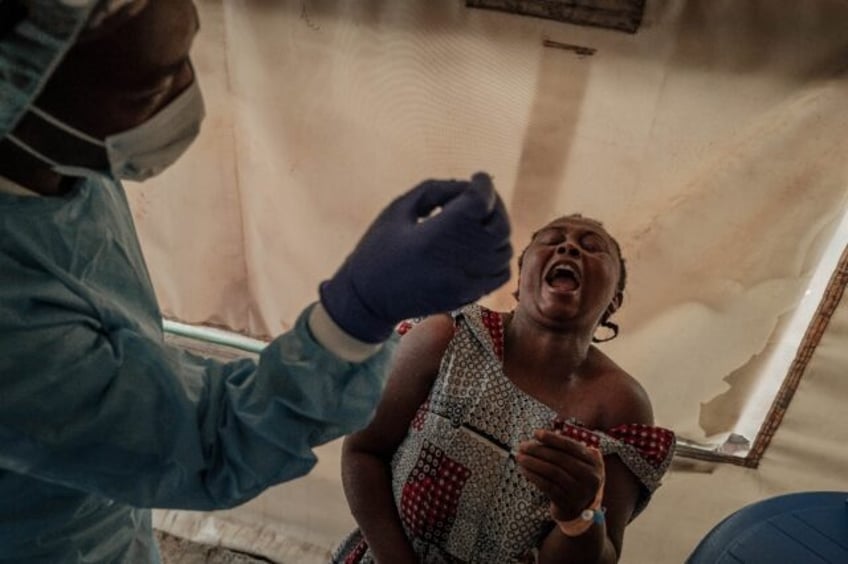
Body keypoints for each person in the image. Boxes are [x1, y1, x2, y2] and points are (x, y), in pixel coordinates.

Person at [0, 1, 512, 562]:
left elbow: (117, 371)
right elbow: (204, 442)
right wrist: (355, 315)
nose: (185, 100)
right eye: (150, 90)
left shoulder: (57, 166)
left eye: (187, 56)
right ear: (19, 98)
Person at [335, 214, 675, 563]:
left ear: (614, 301)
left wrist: (580, 516)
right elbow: (363, 451)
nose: (569, 246)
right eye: (552, 239)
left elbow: (604, 556)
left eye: (592, 247)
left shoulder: (619, 405)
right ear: (521, 277)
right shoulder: (447, 337)